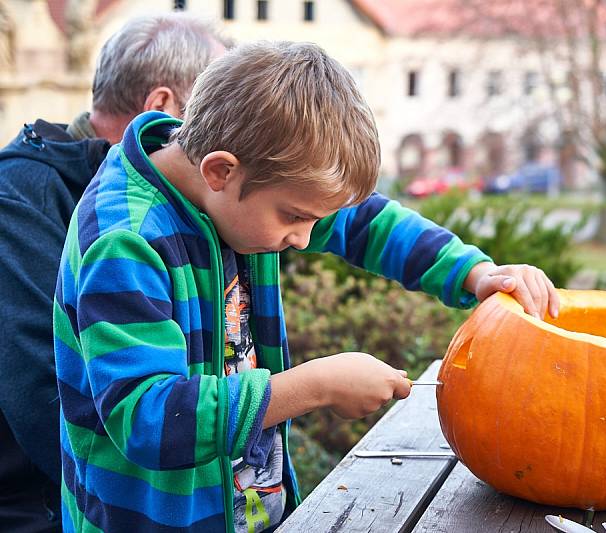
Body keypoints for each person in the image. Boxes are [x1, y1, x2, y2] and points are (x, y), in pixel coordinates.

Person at [54, 40, 560, 532]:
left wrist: (474, 273)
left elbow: (365, 223)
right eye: (296, 218)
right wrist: (313, 387)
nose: (304, 239)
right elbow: (149, 419)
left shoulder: (243, 189)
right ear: (221, 171)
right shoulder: (126, 242)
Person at [0, 14, 231, 532]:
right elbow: (43, 402)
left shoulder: (177, 202)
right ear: (163, 108)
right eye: (219, 105)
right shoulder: (20, 200)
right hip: (47, 507)